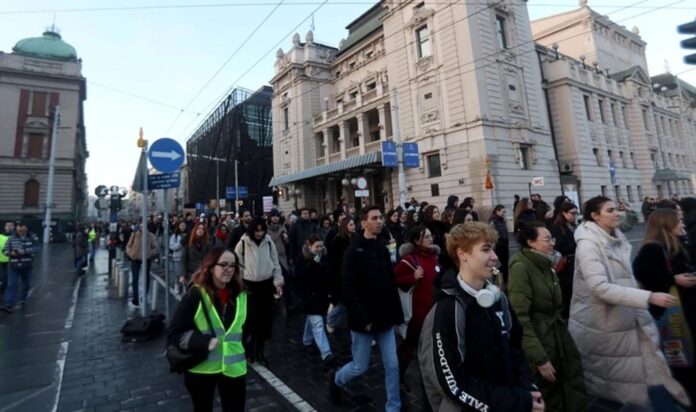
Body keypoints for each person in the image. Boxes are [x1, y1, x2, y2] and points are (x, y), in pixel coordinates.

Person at [570, 196, 690, 408]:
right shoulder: (588, 245)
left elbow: (629, 222)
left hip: (626, 318)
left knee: (647, 377)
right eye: (610, 210)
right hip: (606, 325)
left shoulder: (614, 236)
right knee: (623, 388)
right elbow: (600, 288)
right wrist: (649, 297)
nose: (616, 213)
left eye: (616, 209)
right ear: (595, 216)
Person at [418, 222, 543, 411]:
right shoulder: (448, 309)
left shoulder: (498, 298)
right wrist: (514, 402)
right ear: (462, 254)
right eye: (486, 250)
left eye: (493, 249)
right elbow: (450, 383)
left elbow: (515, 348)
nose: (494, 257)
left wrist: (527, 388)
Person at [329, 206, 403, 411]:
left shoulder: (381, 248)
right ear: (364, 223)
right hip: (364, 321)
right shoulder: (353, 251)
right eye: (375, 218)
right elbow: (349, 288)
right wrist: (362, 317)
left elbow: (390, 282)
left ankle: (393, 406)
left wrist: (396, 314)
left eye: (380, 218)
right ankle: (337, 379)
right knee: (359, 366)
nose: (380, 221)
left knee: (392, 365)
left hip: (385, 318)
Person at [508, 222, 588, 411]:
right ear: (531, 243)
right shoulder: (521, 267)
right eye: (547, 239)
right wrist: (540, 359)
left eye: (552, 238)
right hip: (541, 342)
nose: (552, 243)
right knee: (549, 395)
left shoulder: (545, 264)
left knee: (570, 384)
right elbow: (520, 317)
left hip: (557, 336)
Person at [167, 248, 248, 412]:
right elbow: (174, 332)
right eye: (223, 264)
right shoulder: (196, 294)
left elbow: (245, 328)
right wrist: (204, 342)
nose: (229, 269)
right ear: (211, 268)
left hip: (234, 369)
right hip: (202, 368)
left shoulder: (242, 295)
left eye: (233, 265)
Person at [633, 208, 696, 403]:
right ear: (666, 225)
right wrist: (673, 279)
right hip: (674, 315)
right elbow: (644, 276)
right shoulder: (652, 248)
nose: (682, 224)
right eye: (678, 221)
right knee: (683, 363)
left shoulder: (675, 244)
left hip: (685, 311)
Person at [393, 225, 440, 392]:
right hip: (417, 314)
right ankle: (397, 377)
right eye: (426, 236)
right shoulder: (409, 260)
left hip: (434, 310)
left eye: (430, 235)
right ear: (416, 240)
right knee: (409, 346)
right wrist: (411, 277)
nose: (430, 239)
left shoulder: (434, 256)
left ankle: (433, 380)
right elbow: (394, 279)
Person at [234, 217, 284, 365]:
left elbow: (275, 262)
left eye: (262, 231)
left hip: (266, 285)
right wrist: (240, 284)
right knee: (250, 321)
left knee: (264, 321)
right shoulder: (243, 243)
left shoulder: (268, 242)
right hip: (249, 285)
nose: (259, 234)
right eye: (257, 231)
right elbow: (238, 265)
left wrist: (278, 282)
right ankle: (249, 349)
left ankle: (260, 351)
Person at [295, 234, 334, 366]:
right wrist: (314, 263)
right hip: (308, 296)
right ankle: (326, 353)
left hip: (321, 295)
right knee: (317, 322)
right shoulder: (303, 258)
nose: (320, 249)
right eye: (317, 246)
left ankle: (307, 341)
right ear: (310, 247)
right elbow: (299, 276)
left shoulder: (325, 257)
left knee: (312, 319)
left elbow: (328, 274)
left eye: (321, 246)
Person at [549, 202, 579, 320]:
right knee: (567, 291)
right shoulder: (558, 228)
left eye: (576, 213)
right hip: (566, 264)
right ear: (564, 213)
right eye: (572, 213)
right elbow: (558, 247)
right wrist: (577, 245)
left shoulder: (572, 226)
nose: (575, 216)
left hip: (574, 262)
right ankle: (566, 316)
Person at [326, 216, 356, 333]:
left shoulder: (355, 238)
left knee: (353, 303)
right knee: (343, 304)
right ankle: (331, 320)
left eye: (353, 224)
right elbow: (335, 262)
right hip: (341, 276)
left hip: (354, 275)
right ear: (345, 226)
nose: (353, 227)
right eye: (351, 225)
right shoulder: (338, 240)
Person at [2, 221, 38, 312]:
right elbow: (5, 250)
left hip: (27, 264)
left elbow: (36, 248)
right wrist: (11, 253)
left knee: (26, 284)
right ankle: (9, 303)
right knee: (11, 284)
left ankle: (23, 300)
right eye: (18, 230)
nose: (20, 232)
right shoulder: (11, 238)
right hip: (13, 264)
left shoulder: (31, 238)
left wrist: (25, 251)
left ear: (26, 229)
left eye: (22, 230)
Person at [126, 225, 158, 306]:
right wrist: (131, 253)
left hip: (146, 259)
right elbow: (128, 246)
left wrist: (149, 253)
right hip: (135, 258)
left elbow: (155, 248)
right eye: (140, 227)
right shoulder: (134, 235)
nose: (141, 228)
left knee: (146, 277)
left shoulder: (150, 236)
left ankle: (145, 295)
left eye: (143, 227)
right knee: (135, 278)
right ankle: (136, 297)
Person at [489, 204, 510, 285]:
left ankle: (505, 280)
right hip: (499, 245)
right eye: (503, 212)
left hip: (505, 244)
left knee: (505, 263)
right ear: (497, 211)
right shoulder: (493, 220)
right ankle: (498, 281)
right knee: (498, 265)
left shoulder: (502, 220)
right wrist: (495, 244)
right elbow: (491, 233)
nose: (504, 213)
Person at [170, 221, 187, 293]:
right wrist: (180, 244)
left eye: (184, 225)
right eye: (181, 225)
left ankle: (184, 286)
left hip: (186, 256)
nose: (183, 227)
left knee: (184, 273)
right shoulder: (175, 236)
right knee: (178, 273)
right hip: (177, 257)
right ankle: (176, 285)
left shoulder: (187, 235)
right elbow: (172, 246)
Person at [0, 221, 13, 304]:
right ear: (5, 227)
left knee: (9, 279)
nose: (9, 227)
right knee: (3, 278)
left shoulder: (15, 237)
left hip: (11, 261)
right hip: (1, 261)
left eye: (11, 225)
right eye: (7, 225)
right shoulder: (0, 236)